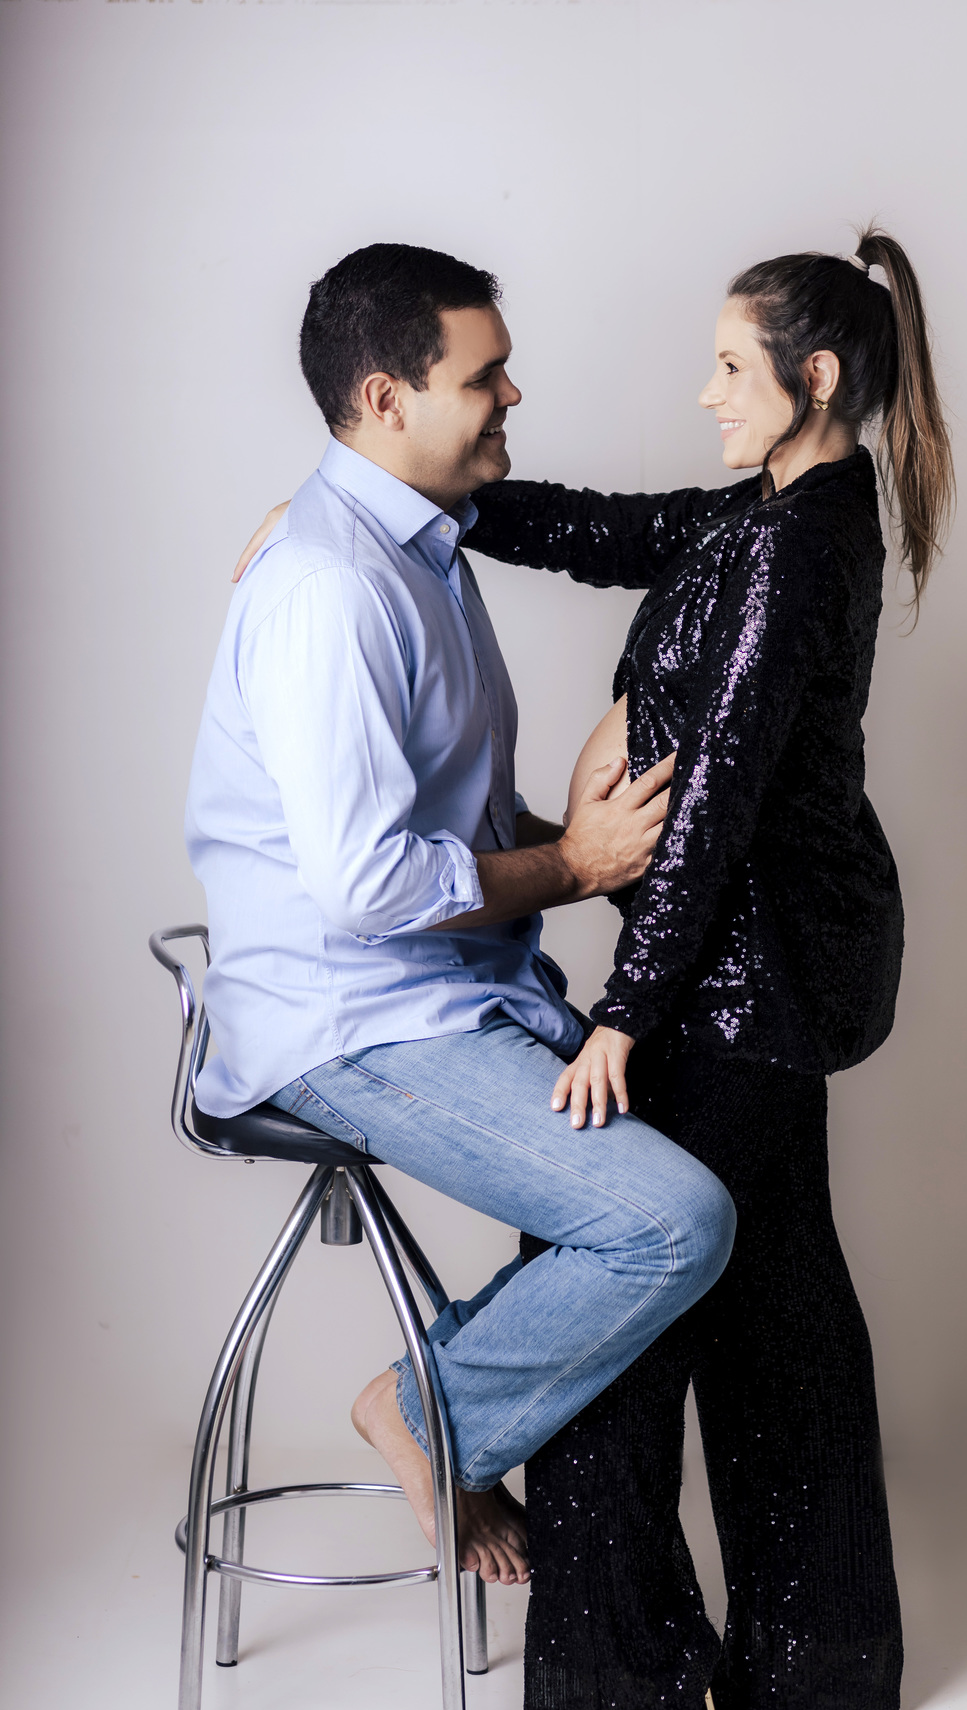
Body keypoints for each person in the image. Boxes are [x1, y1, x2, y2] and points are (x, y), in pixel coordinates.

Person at [458, 227, 954, 1710]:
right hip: (745, 968)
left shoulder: (804, 544)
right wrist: (417, 495)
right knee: (775, 1301)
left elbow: (721, 798)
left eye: (732, 366)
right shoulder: (762, 512)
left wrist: (625, 1013)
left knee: (622, 1280)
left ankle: (620, 1684)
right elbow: (601, 528)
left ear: (818, 378)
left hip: (742, 978)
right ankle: (818, 1662)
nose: (706, 391)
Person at [187, 243, 737, 1592]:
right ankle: (425, 1411)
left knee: (700, 1117)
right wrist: (580, 867)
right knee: (674, 1221)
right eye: (484, 375)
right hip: (347, 1020)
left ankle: (487, 1446)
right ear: (387, 399)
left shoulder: (423, 545)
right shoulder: (331, 588)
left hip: (448, 993)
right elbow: (370, 887)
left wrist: (588, 842)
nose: (513, 395)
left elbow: (444, 822)